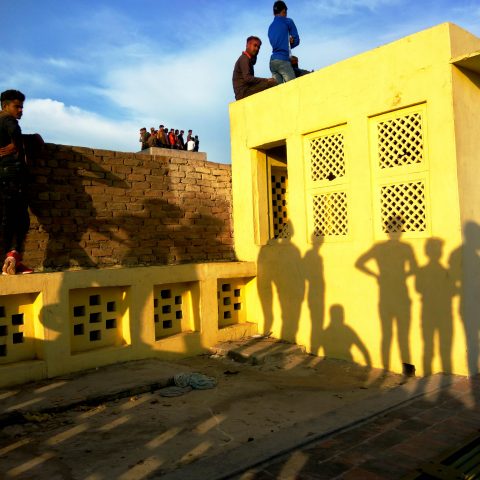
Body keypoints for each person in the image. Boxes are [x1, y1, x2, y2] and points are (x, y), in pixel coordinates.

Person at [0, 89, 33, 274]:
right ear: (6, 106)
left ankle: (10, 261)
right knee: (19, 221)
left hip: (3, 178)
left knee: (6, 220)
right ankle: (11, 260)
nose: (20, 110)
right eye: (17, 106)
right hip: (11, 178)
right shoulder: (8, 120)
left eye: (22, 107)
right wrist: (20, 143)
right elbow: (15, 135)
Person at [232, 36, 277, 100]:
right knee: (271, 83)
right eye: (255, 45)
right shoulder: (244, 58)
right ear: (247, 45)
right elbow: (247, 78)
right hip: (244, 93)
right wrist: (266, 80)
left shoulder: (247, 59)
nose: (257, 49)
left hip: (246, 91)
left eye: (258, 47)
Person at [268, 1, 300, 84]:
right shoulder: (288, 21)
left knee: (279, 90)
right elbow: (296, 40)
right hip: (283, 61)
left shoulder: (270, 27)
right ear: (284, 11)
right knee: (292, 87)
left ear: (273, 13)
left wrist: (286, 42)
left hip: (273, 62)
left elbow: (277, 43)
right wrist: (290, 43)